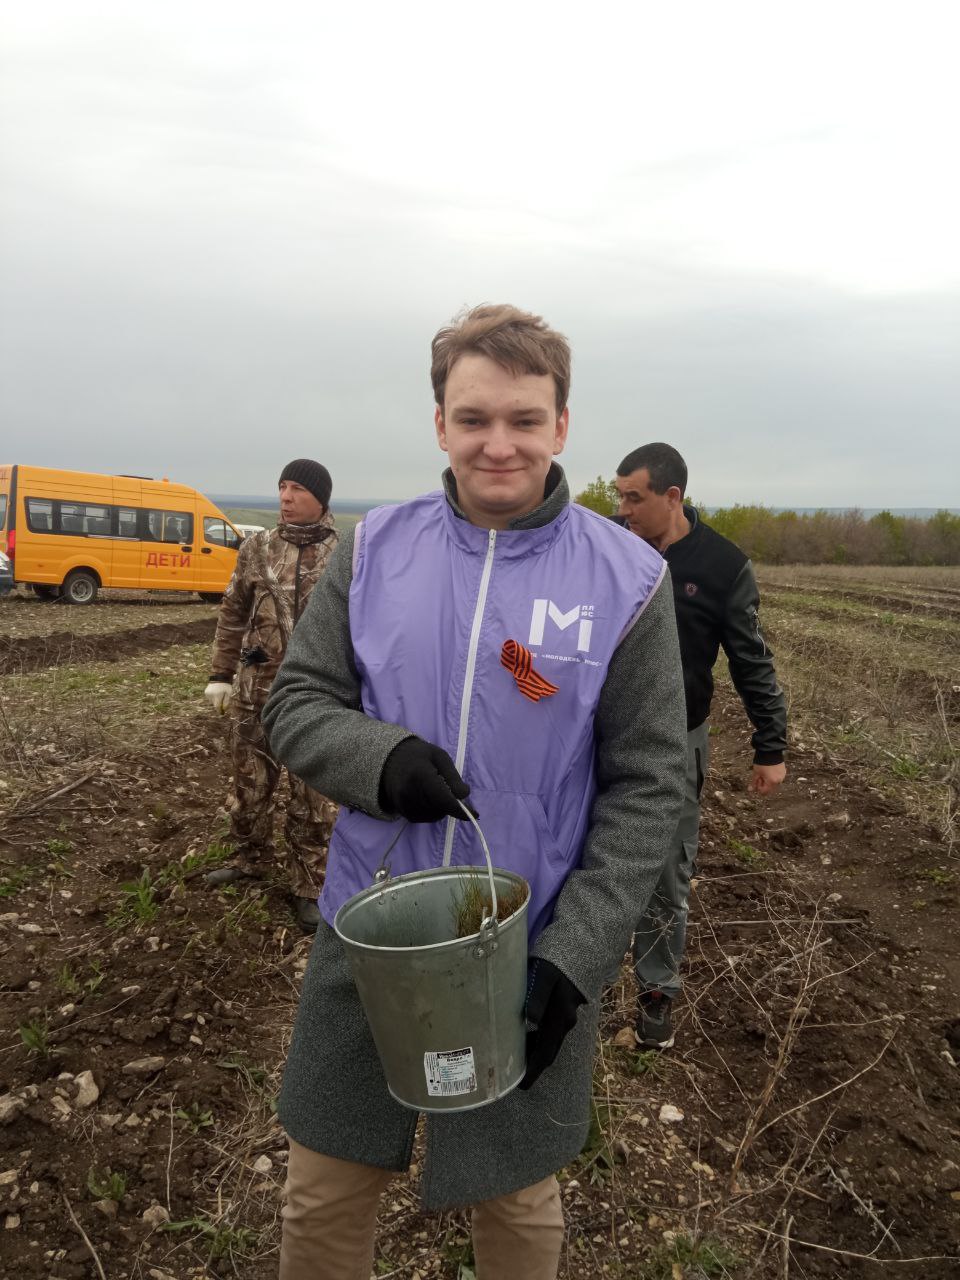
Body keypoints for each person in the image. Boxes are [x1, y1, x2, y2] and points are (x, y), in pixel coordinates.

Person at [262, 305, 688, 1280]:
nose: (499, 442)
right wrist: (380, 756)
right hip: (368, 928)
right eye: (474, 416)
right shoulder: (375, 552)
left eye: (525, 419)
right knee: (324, 1183)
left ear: (562, 426)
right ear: (440, 423)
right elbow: (296, 701)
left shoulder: (626, 579)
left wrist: (576, 958)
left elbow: (652, 780)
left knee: (517, 1193)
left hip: (528, 940)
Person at [614, 443, 787, 1049]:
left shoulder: (721, 565)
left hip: (674, 743)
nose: (623, 509)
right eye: (619, 497)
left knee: (666, 873)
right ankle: (574, 981)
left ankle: (655, 998)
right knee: (579, 851)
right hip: (596, 735)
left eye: (634, 497)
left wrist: (771, 746)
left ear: (672, 497)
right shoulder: (610, 549)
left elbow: (751, 662)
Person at [203, 459, 339, 933]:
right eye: (282, 487)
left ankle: (308, 886)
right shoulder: (257, 548)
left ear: (321, 498)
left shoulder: (345, 555)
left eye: (297, 488)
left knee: (313, 799)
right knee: (249, 786)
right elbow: (232, 611)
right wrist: (222, 674)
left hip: (319, 702)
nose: (285, 496)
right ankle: (250, 860)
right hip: (254, 691)